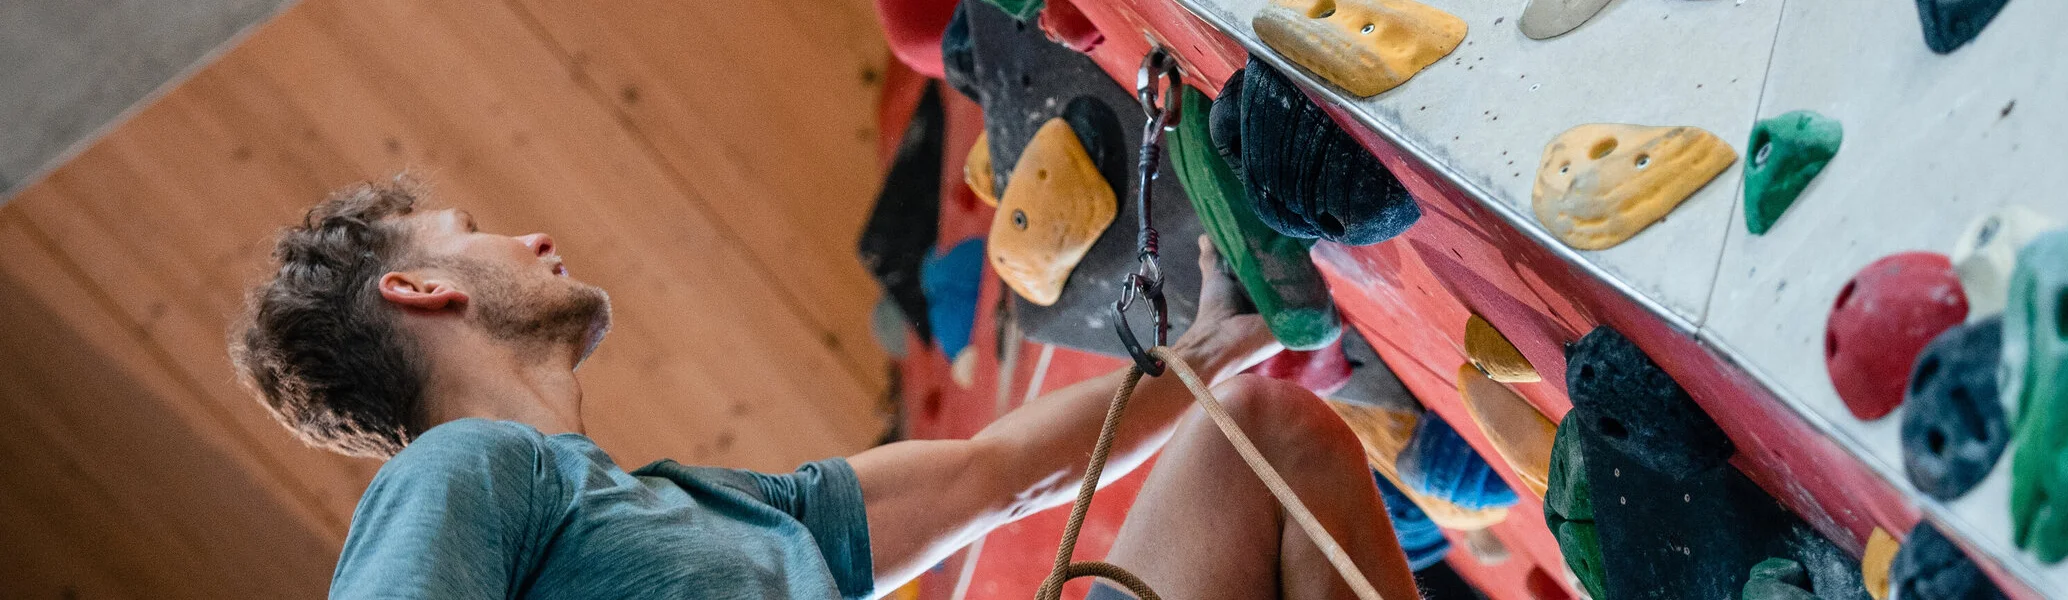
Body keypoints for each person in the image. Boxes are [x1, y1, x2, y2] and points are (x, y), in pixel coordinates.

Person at [230, 178, 1420, 599]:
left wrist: (1209, 349)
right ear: (421, 291)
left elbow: (995, 475)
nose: (527, 239)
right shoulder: (467, 465)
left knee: (1269, 430)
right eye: (469, 233)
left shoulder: (688, 513)